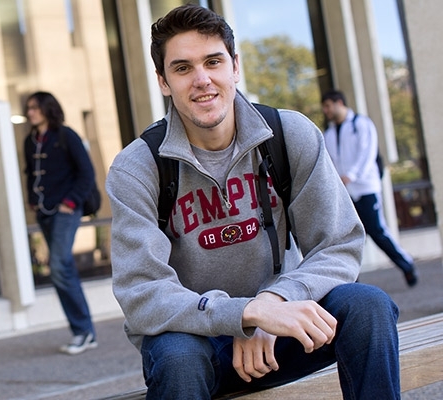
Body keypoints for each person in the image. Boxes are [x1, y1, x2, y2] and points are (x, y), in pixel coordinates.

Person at [106, 5, 400, 399]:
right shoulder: (137, 167)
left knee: (368, 307)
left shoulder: (288, 134)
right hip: (197, 344)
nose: (202, 80)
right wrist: (242, 316)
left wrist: (276, 302)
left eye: (213, 62)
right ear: (163, 81)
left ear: (235, 66)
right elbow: (142, 291)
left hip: (283, 332)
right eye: (182, 68)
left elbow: (338, 244)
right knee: (178, 359)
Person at [23, 91, 97, 355]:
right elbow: (30, 173)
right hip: (44, 212)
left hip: (66, 211)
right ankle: (85, 331)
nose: (30, 112)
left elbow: (87, 172)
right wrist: (33, 199)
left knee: (58, 265)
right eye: (29, 108)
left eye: (35, 107)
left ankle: (83, 332)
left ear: (47, 109)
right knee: (63, 268)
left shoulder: (66, 135)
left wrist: (70, 202)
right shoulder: (30, 141)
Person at [321, 89, 418, 287]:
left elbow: (367, 153)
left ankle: (406, 264)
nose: (326, 111)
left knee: (377, 231)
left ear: (339, 103)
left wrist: (352, 175)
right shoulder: (329, 133)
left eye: (328, 106)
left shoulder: (361, 124)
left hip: (366, 188)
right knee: (347, 237)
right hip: (345, 192)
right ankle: (352, 279)